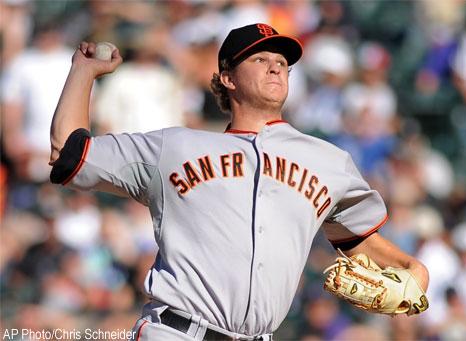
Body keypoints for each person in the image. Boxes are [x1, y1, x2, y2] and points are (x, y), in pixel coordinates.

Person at [49, 23, 429, 341]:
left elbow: (359, 239)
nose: (275, 68)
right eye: (260, 59)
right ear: (227, 78)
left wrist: (414, 269)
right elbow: (68, 155)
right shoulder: (174, 146)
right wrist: (83, 72)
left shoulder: (329, 162)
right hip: (176, 332)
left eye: (282, 63)